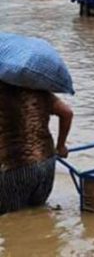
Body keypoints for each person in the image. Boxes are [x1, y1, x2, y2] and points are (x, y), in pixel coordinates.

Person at [0, 81, 73, 214]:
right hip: (46, 163)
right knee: (38, 211)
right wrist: (61, 146)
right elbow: (67, 113)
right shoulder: (39, 90)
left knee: (13, 220)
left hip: (15, 167)